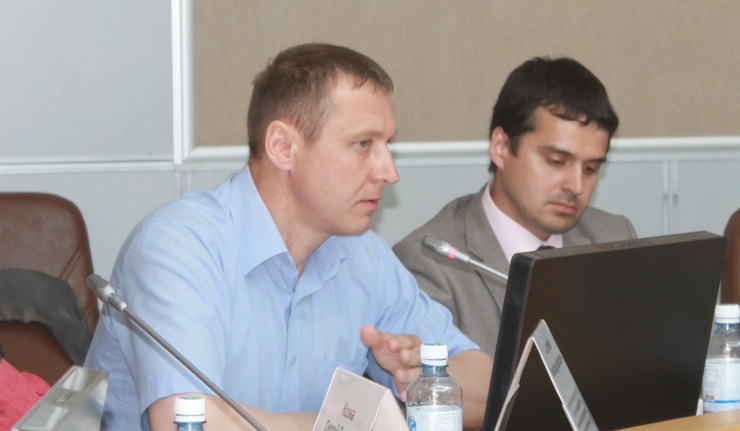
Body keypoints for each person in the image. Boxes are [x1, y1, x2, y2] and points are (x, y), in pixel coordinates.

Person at [84, 43, 492, 431]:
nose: (389, 171)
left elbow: (491, 388)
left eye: (388, 146)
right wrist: (355, 424)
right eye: (363, 144)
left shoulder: (363, 255)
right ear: (283, 146)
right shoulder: (178, 247)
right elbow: (190, 423)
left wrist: (425, 380)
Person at [393, 57, 638, 357]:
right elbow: (438, 382)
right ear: (501, 147)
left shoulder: (614, 236)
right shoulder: (429, 263)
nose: (576, 186)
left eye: (590, 168)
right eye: (557, 161)